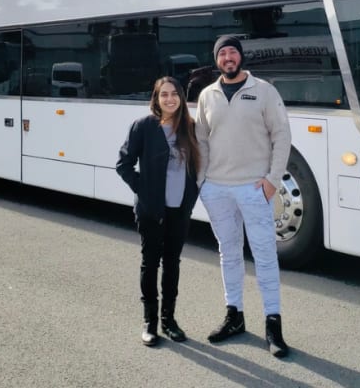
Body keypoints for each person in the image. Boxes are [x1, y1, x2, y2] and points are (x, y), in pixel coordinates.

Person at [195, 35, 292, 358]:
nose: (228, 57)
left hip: (253, 188)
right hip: (217, 188)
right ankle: (234, 315)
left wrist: (272, 181)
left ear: (241, 57)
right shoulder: (207, 95)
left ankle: (273, 324)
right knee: (229, 252)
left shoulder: (264, 90)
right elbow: (201, 142)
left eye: (233, 51)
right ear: (217, 60)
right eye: (222, 53)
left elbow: (281, 135)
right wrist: (202, 183)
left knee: (265, 256)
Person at [117, 76, 200, 346]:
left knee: (172, 263)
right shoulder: (143, 127)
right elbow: (124, 164)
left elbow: (198, 167)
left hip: (179, 208)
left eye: (174, 94)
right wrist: (144, 189)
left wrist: (191, 197)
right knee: (150, 262)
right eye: (163, 94)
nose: (169, 99)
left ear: (181, 98)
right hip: (151, 209)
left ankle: (169, 320)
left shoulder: (190, 128)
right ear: (156, 98)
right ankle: (150, 322)